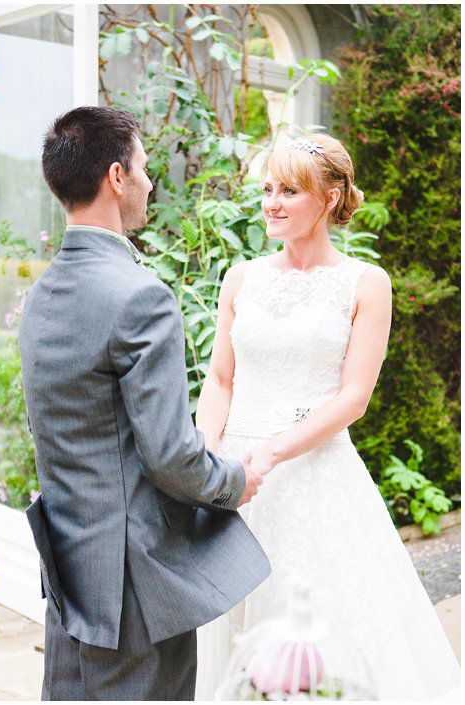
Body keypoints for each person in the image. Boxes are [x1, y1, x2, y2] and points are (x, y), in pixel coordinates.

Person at [194, 134, 461, 699]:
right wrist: (205, 456)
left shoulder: (365, 283)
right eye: (268, 189)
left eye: (289, 191)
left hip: (313, 472)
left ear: (332, 195)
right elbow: (220, 380)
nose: (272, 202)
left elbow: (352, 398)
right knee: (230, 634)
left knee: (321, 630)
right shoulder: (240, 277)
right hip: (232, 474)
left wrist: (272, 451)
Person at [17, 105, 270, 701]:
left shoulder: (40, 293)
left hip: (70, 567)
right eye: (145, 167)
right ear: (116, 177)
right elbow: (170, 455)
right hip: (135, 580)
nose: (151, 182)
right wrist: (234, 480)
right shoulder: (139, 296)